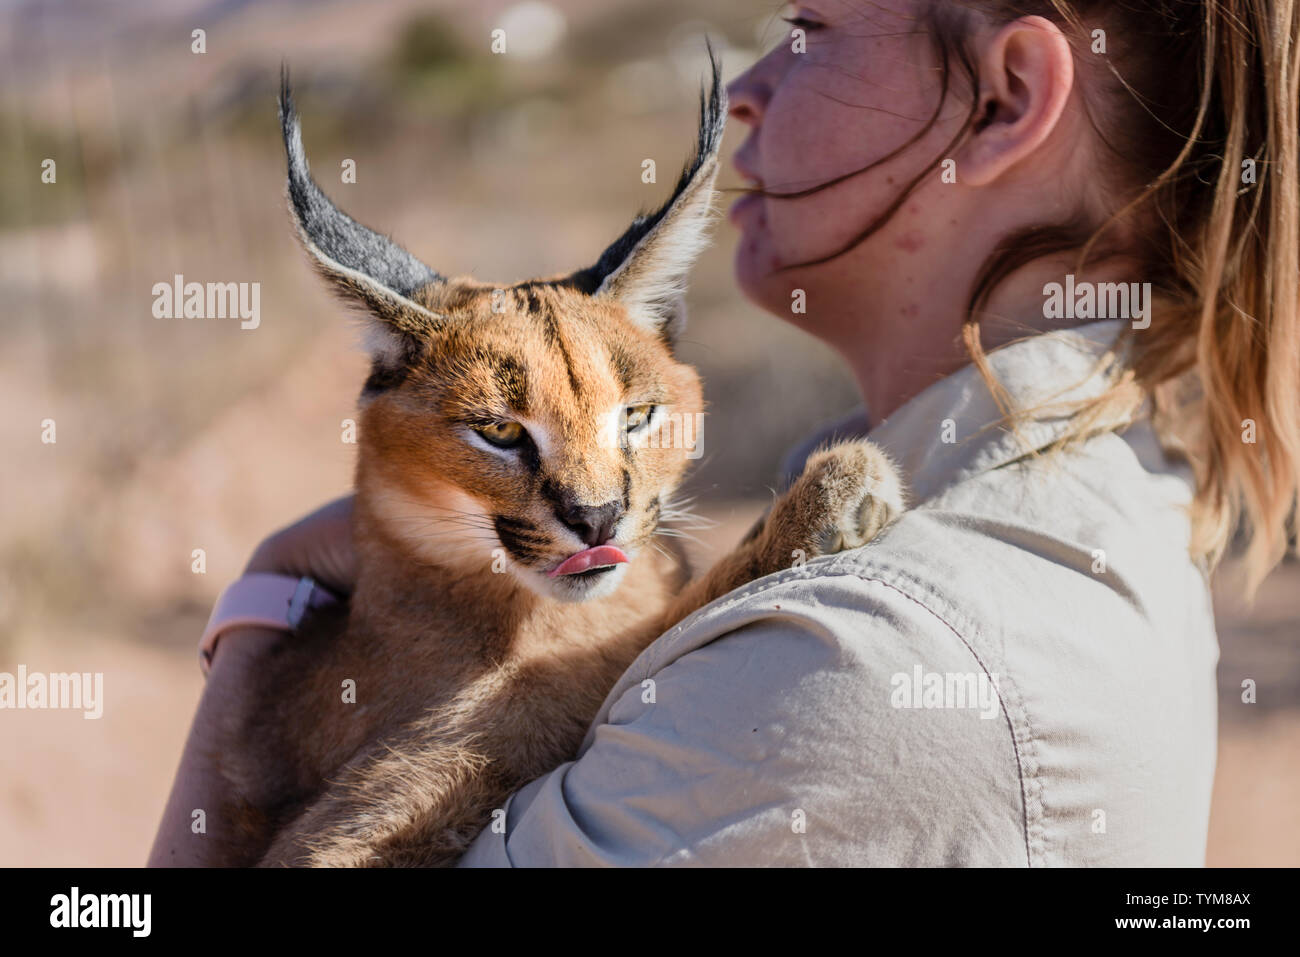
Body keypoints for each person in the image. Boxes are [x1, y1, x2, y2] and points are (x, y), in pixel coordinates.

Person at [150, 0, 1299, 866]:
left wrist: (257, 616)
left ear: (1003, 100)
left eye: (806, 26)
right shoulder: (1074, 484)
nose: (746, 87)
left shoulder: (866, 670)